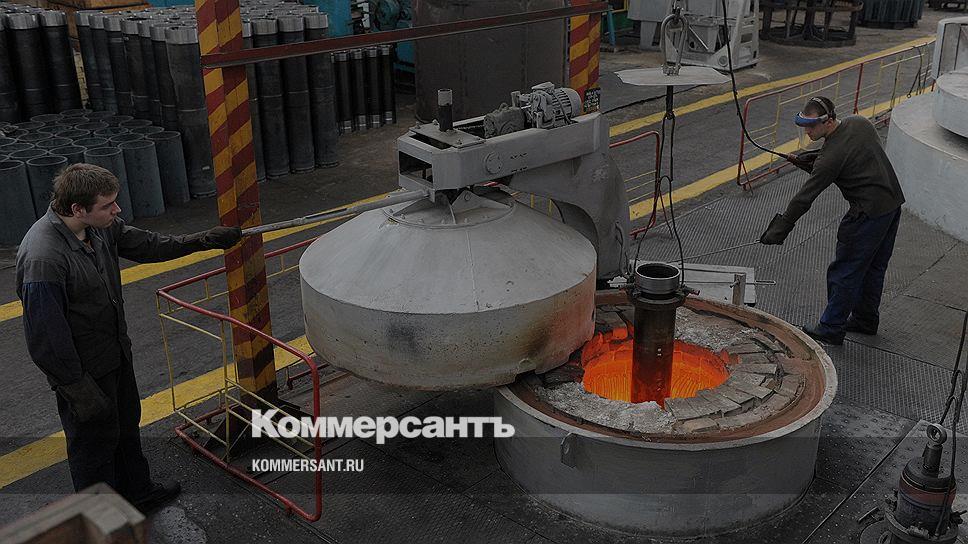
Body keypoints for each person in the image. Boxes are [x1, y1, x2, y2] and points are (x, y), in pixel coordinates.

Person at [15, 164, 242, 511]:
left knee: (125, 429)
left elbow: (148, 245)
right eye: (108, 205)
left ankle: (138, 493)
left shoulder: (99, 228)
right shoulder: (44, 257)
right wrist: (80, 392)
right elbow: (46, 338)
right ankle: (102, 520)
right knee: (93, 448)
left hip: (115, 353)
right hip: (84, 373)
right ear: (77, 209)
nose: (117, 210)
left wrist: (203, 240)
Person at [759, 96, 905, 346]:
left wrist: (779, 229)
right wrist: (815, 159)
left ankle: (831, 327)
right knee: (873, 268)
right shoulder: (859, 123)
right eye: (803, 126)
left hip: (866, 214)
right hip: (891, 206)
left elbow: (805, 198)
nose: (807, 131)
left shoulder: (829, 159)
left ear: (828, 121)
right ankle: (866, 320)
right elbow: (852, 152)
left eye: (811, 126)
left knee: (845, 271)